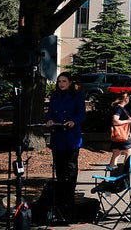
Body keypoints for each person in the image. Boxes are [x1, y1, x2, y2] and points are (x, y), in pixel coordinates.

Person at [45, 71, 86, 212]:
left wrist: (74, 121)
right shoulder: (55, 96)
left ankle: (69, 197)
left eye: (64, 81)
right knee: (59, 168)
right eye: (59, 81)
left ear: (70, 82)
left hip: (72, 137)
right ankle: (60, 198)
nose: (61, 84)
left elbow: (81, 114)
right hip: (58, 137)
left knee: (71, 167)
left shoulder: (77, 96)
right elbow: (49, 112)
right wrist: (49, 120)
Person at [107, 91, 131, 171]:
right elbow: (115, 121)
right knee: (129, 152)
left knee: (116, 152)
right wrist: (127, 121)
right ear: (125, 99)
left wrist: (128, 131)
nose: (129, 99)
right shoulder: (119, 109)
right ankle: (126, 170)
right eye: (128, 97)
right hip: (121, 135)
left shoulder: (119, 108)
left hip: (119, 134)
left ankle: (112, 167)